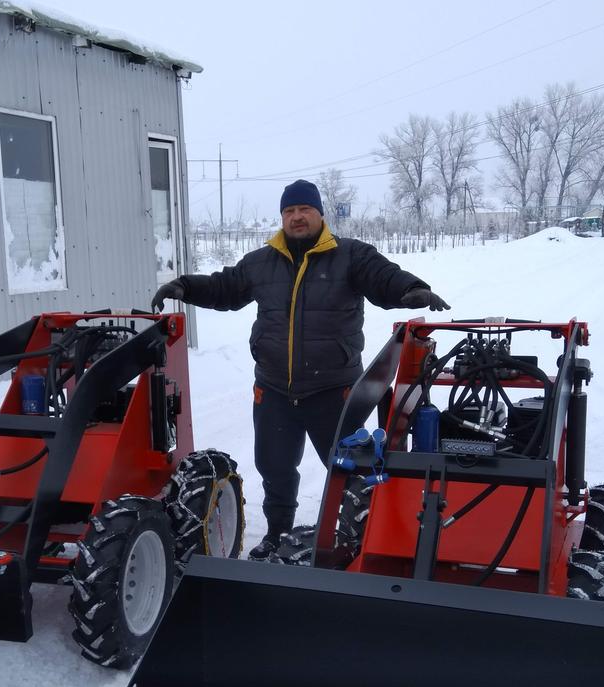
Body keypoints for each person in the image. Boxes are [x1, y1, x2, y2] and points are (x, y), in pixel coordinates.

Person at [153, 179, 449, 559]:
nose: (296, 217)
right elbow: (225, 288)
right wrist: (184, 287)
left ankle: (356, 540)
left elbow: (383, 276)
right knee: (275, 469)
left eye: (304, 210)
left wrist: (411, 289)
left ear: (319, 213)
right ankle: (277, 533)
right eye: (289, 211)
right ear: (282, 217)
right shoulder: (262, 262)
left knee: (347, 470)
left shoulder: (350, 255)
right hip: (275, 389)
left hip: (334, 390)